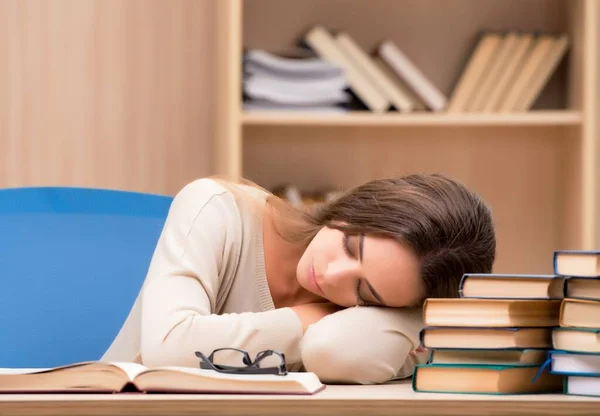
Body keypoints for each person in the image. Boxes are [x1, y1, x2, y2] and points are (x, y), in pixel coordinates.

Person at [102, 173, 496, 385]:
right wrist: (305, 319)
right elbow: (167, 350)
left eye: (364, 293)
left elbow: (333, 349)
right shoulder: (216, 208)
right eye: (349, 245)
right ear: (355, 204)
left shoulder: (374, 323)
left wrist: (420, 322)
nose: (330, 275)